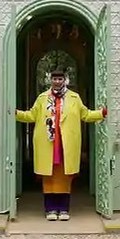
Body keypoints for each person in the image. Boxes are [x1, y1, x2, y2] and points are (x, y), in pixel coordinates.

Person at [16, 67, 107, 221]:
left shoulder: (74, 98)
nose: (57, 82)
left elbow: (85, 114)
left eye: (60, 79)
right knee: (48, 176)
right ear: (50, 80)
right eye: (54, 79)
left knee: (65, 177)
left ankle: (63, 209)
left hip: (66, 144)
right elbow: (31, 115)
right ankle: (50, 209)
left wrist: (101, 113)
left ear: (65, 80)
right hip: (47, 143)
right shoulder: (42, 98)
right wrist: (15, 113)